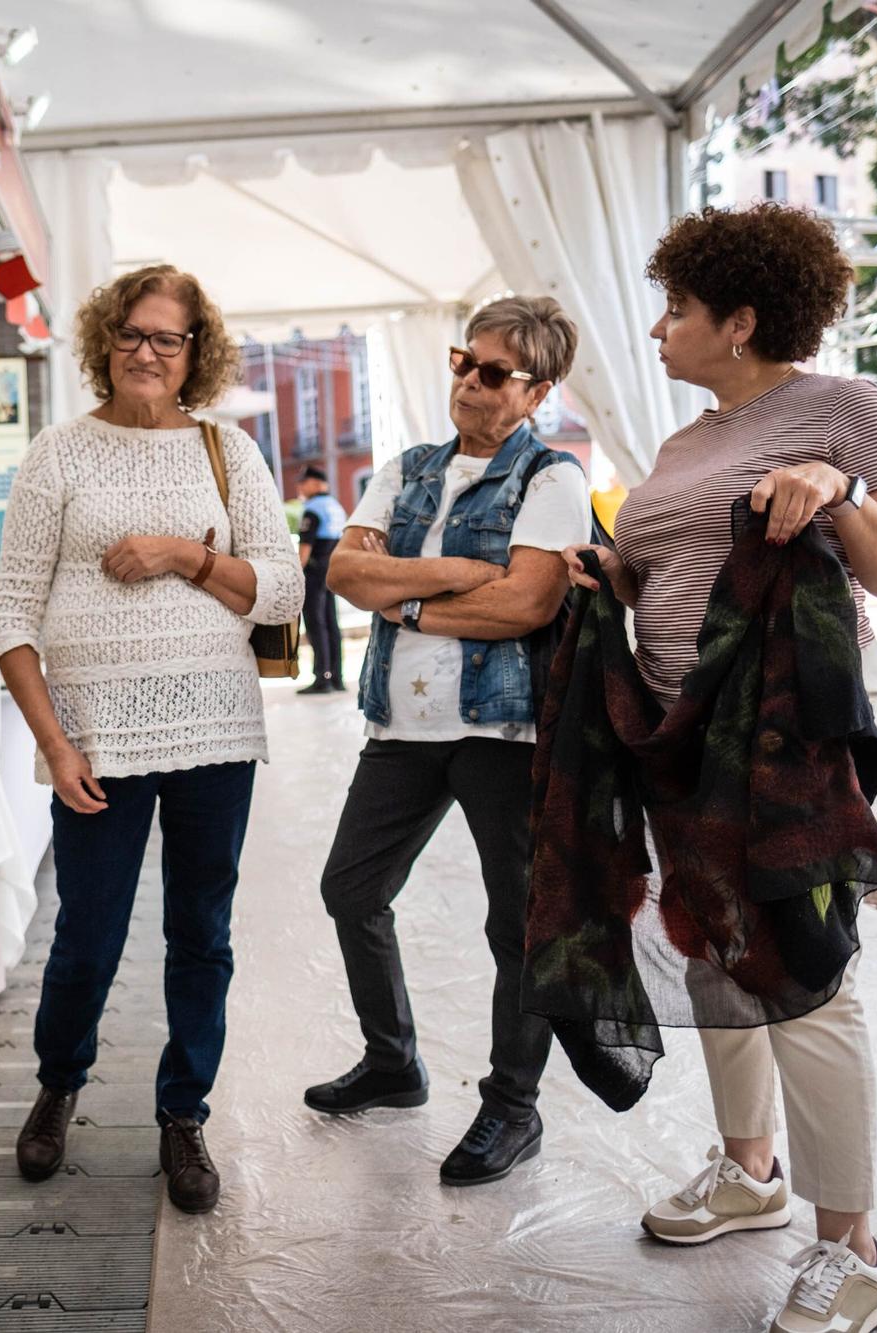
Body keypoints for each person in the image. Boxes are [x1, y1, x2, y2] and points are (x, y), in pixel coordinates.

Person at [562, 203, 877, 1333]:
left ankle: (851, 1246)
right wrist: (607, 580)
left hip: (795, 730)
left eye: (674, 309)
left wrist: (834, 485)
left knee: (802, 968)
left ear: (737, 319)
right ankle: (749, 1171)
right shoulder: (680, 445)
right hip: (680, 726)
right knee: (715, 944)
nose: (657, 329)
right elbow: (654, 570)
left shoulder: (845, 408)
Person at [0, 265, 303, 1214]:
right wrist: (54, 743)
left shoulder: (228, 451)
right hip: (96, 740)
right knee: (86, 932)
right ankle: (60, 1081)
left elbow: (282, 590)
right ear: (103, 341)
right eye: (131, 333)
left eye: (168, 338)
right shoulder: (58, 453)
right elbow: (9, 612)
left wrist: (180, 553)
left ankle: (183, 1112)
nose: (147, 352)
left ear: (195, 353)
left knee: (200, 933)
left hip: (214, 731)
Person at [302, 296, 593, 1186]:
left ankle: (513, 1106)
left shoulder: (551, 479)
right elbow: (346, 572)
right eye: (464, 360)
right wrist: (460, 572)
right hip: (401, 724)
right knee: (351, 889)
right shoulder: (407, 467)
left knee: (518, 923)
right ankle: (394, 1063)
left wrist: (412, 602)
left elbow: (530, 602)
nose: (469, 380)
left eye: (493, 371)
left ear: (536, 389)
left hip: (501, 728)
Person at [295, 464, 348, 693]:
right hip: (333, 571)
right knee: (332, 623)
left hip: (315, 573)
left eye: (303, 482)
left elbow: (305, 549)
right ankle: (336, 676)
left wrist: (295, 575)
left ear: (315, 483)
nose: (301, 487)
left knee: (316, 625)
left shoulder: (313, 509)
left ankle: (322, 678)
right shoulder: (336, 507)